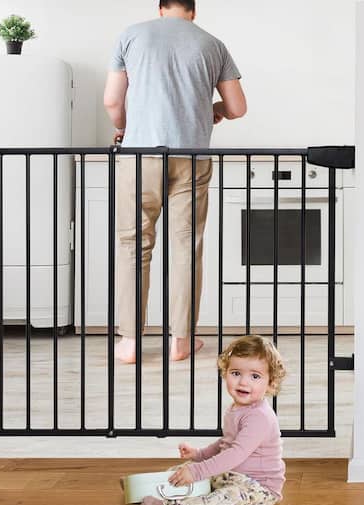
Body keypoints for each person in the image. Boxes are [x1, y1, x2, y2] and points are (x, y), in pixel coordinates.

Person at [103, 0, 247, 364]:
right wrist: (215, 110)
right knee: (187, 247)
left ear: (161, 8)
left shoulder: (131, 36)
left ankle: (130, 343)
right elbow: (237, 107)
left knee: (133, 245)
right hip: (191, 157)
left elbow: (111, 101)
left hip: (139, 156)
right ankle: (181, 341)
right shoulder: (212, 44)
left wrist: (125, 127)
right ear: (193, 11)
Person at [139, 335, 287, 505]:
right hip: (229, 474)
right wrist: (199, 455)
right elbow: (226, 443)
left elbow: (236, 453)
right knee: (182, 470)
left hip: (256, 486)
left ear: (271, 382)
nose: (243, 382)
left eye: (255, 376)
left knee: (224, 499)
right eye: (236, 373)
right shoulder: (236, 408)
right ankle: (145, 488)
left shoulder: (260, 417)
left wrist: (197, 471)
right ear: (225, 372)